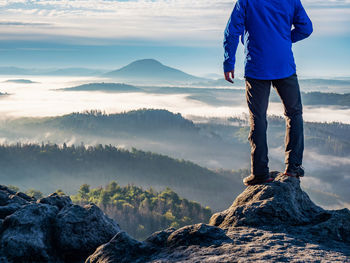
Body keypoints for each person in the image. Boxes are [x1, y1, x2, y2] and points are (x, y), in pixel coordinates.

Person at [223, 0, 313, 185]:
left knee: (258, 118)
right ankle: (293, 167)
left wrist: (228, 62)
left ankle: (260, 173)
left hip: (256, 67)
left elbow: (232, 32)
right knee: (294, 114)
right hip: (284, 66)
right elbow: (306, 28)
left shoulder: (246, 1)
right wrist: (285, 39)